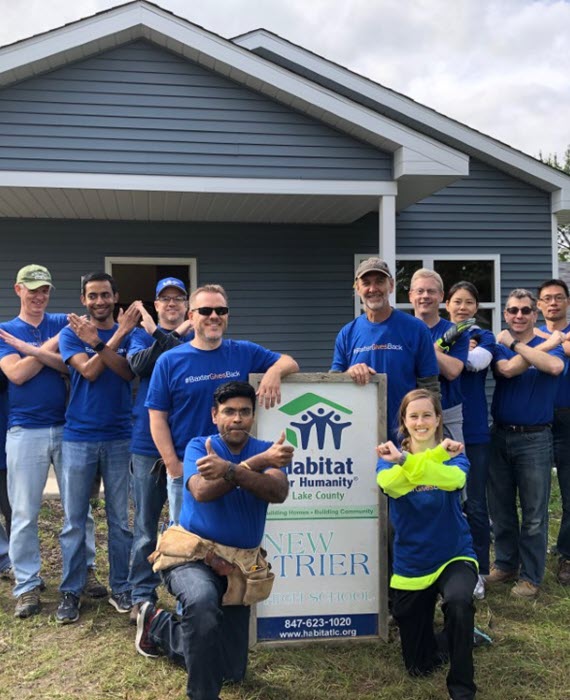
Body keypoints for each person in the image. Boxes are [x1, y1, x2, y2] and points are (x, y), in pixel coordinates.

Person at [134, 381, 293, 700]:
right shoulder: (198, 446)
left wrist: (234, 469)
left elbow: (277, 492)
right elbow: (202, 491)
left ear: (253, 415)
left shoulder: (265, 448)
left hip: (239, 565)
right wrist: (255, 465)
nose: (237, 419)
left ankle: (158, 624)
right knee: (203, 604)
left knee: (231, 670)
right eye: (229, 411)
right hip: (193, 557)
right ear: (215, 415)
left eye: (244, 412)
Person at [0, 264, 102, 618]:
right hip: (24, 430)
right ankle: (27, 586)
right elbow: (17, 374)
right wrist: (53, 347)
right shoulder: (6, 331)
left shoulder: (65, 320)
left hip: (68, 428)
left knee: (79, 509)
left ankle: (84, 571)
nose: (39, 296)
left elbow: (71, 367)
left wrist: (38, 350)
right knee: (24, 512)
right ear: (18, 290)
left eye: (44, 289)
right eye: (32, 289)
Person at [376, 388, 478, 700]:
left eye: (427, 415)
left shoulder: (455, 452)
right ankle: (461, 637)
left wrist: (406, 463)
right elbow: (390, 485)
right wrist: (423, 462)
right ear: (404, 422)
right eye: (414, 416)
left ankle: (462, 689)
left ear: (437, 420)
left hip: (454, 554)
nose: (421, 422)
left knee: (459, 603)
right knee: (419, 666)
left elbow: (453, 481)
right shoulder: (386, 456)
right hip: (412, 563)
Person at [146, 283, 299, 490]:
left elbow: (289, 362)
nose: (214, 316)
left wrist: (274, 372)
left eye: (221, 310)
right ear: (191, 317)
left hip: (239, 466)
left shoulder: (244, 352)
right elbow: (157, 417)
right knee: (186, 524)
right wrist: (173, 465)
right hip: (191, 468)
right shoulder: (169, 361)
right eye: (206, 311)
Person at [56, 272, 141, 624]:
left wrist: (110, 339)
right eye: (93, 296)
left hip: (120, 436)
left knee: (120, 521)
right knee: (74, 520)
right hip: (78, 437)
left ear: (115, 297)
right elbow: (89, 372)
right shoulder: (69, 333)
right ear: (83, 300)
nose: (99, 301)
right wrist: (104, 340)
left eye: (105, 295)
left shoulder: (133, 335)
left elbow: (126, 372)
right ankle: (71, 591)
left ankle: (120, 587)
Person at [486, 289, 566, 599]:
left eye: (525, 310)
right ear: (505, 314)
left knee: (534, 512)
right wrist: (545, 345)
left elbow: (555, 368)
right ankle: (506, 564)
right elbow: (506, 370)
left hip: (535, 438)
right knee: (501, 508)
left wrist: (521, 345)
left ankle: (531, 577)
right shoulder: (498, 345)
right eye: (513, 310)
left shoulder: (512, 342)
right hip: (501, 434)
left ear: (535, 314)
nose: (518, 315)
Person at [127, 277, 193, 622]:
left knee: (188, 525)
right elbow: (138, 366)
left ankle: (187, 592)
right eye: (165, 299)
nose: (171, 303)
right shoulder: (139, 335)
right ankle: (141, 593)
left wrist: (168, 333)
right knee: (145, 525)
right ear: (156, 305)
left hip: (187, 444)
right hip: (146, 443)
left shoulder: (200, 336)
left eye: (178, 299)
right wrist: (164, 333)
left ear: (186, 305)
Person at [331, 257, 439, 440]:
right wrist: (348, 373)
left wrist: (429, 434)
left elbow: (430, 388)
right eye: (366, 283)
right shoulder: (347, 333)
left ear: (391, 285)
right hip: (359, 434)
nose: (373, 289)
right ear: (357, 289)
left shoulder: (416, 329)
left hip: (407, 435)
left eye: (380, 282)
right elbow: (332, 384)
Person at [446, 282, 495, 600]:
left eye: (469, 302)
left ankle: (479, 571)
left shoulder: (486, 335)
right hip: (441, 427)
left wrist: (452, 351)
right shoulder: (440, 333)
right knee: (446, 501)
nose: (462, 307)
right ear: (446, 304)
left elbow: (475, 361)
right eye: (457, 301)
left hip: (474, 430)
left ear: (476, 307)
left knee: (474, 503)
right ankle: (449, 566)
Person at [536, 279, 570, 585]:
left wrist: (552, 339)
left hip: (568, 416)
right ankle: (531, 552)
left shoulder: (548, 335)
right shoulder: (532, 334)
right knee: (535, 493)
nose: (553, 303)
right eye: (547, 298)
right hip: (538, 418)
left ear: (567, 302)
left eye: (559, 298)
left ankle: (567, 556)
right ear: (539, 304)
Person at [410, 268, 469, 443]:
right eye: (420, 291)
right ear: (410, 296)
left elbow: (452, 371)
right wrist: (437, 348)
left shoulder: (455, 331)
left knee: (452, 468)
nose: (425, 296)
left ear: (441, 296)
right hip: (409, 416)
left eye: (431, 291)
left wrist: (424, 346)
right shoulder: (400, 330)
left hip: (447, 415)